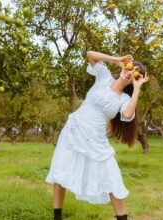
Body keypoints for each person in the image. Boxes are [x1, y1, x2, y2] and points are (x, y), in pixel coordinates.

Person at [45, 51, 149, 220]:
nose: (130, 72)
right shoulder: (104, 77)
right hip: (74, 129)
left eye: (134, 74)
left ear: (134, 80)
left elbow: (129, 114)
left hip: (96, 138)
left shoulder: (124, 99)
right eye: (131, 68)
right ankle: (57, 217)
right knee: (60, 171)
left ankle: (121, 217)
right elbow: (90, 54)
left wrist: (137, 88)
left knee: (112, 177)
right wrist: (117, 60)